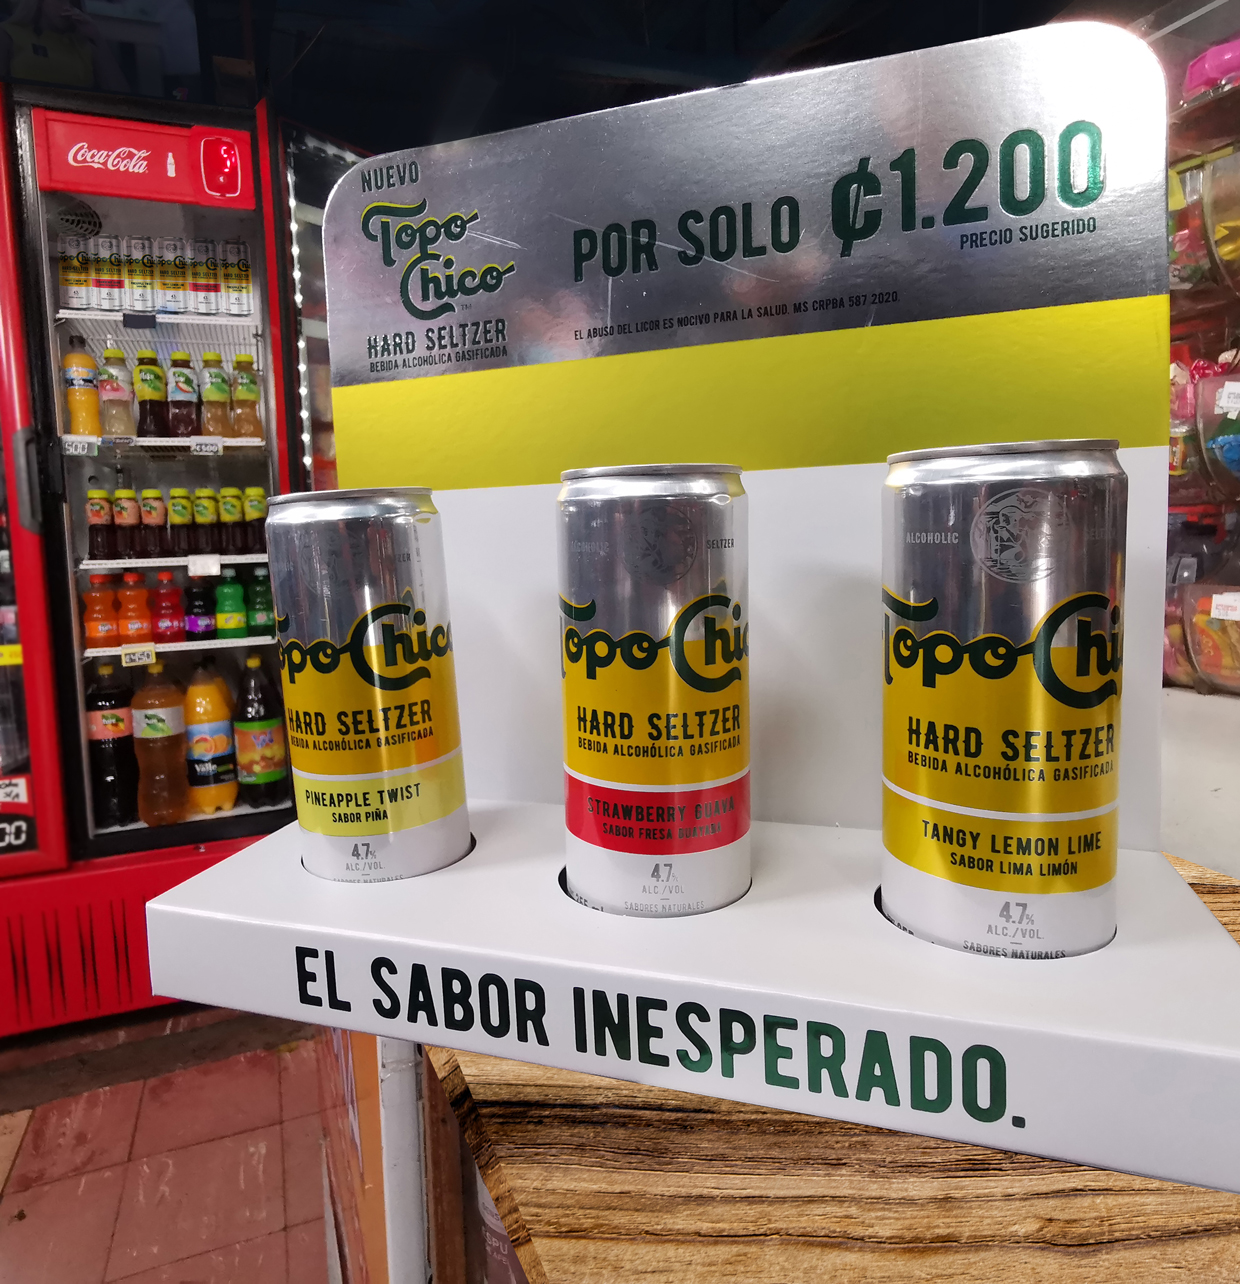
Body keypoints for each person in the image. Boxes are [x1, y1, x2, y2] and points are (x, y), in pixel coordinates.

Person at [0, 0, 129, 93]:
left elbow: (123, 100)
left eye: (73, 2)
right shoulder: (10, 34)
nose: (67, 6)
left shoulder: (83, 47)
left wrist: (97, 38)